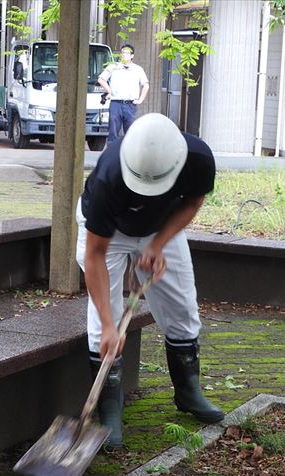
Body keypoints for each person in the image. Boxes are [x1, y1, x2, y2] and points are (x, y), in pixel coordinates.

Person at [76, 112, 224, 449]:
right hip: (107, 233)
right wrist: (112, 326)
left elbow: (192, 202)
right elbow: (95, 253)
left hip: (160, 228)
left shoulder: (197, 158)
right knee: (104, 324)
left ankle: (189, 393)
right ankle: (109, 412)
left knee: (183, 307)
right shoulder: (108, 177)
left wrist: (158, 244)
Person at [97, 44, 149, 146]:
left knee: (130, 132)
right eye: (122, 53)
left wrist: (140, 99)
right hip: (116, 103)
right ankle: (112, 157)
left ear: (132, 56)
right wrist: (109, 91)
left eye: (127, 53)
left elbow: (146, 85)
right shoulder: (113, 67)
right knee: (113, 132)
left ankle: (129, 157)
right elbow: (101, 79)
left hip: (130, 104)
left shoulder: (138, 69)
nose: (124, 55)